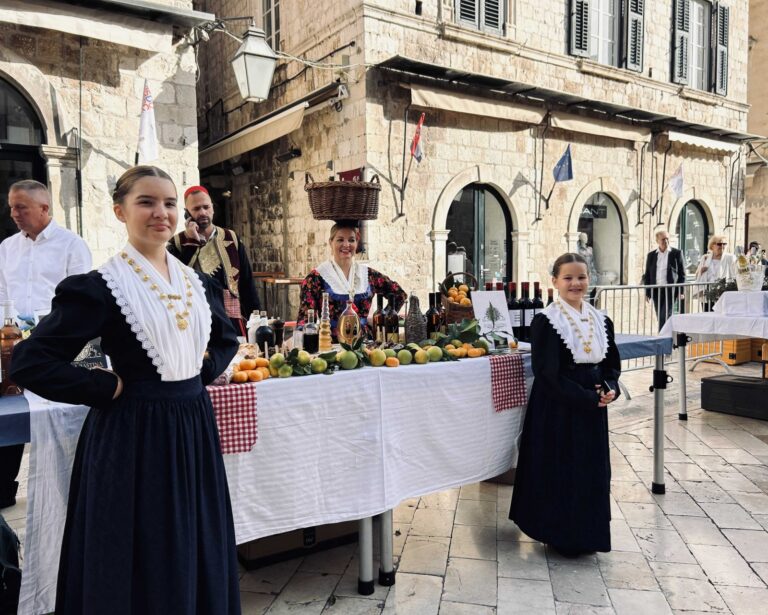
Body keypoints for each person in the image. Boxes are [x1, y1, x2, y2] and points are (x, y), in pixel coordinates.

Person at [10, 166, 241, 614]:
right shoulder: (100, 288)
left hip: (193, 427)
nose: (162, 212)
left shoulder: (197, 282)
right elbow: (31, 361)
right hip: (133, 438)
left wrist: (198, 369)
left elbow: (226, 338)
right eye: (147, 202)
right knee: (142, 552)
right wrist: (105, 386)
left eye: (170, 203)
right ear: (120, 211)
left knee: (194, 538)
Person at [509, 253, 620, 557]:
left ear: (589, 280)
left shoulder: (602, 319)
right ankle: (561, 534)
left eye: (581, 277)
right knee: (562, 469)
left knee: (590, 471)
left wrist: (610, 389)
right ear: (555, 281)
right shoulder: (547, 321)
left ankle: (588, 535)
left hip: (592, 408)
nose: (575, 283)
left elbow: (612, 365)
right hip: (558, 407)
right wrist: (588, 397)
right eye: (568, 278)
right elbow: (547, 373)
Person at [0, 180, 91, 510]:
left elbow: (82, 302)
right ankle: (3, 487)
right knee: (10, 408)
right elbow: (1, 296)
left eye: (21, 206)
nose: (14, 213)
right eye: (11, 206)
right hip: (12, 345)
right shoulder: (7, 248)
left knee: (58, 414)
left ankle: (68, 485)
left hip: (56, 343)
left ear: (44, 208)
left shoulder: (72, 245)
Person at [168, 185, 259, 336]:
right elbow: (175, 280)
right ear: (187, 213)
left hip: (231, 319)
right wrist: (191, 242)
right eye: (196, 209)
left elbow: (247, 283)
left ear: (212, 208)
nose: (203, 212)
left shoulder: (232, 238)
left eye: (206, 207)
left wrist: (256, 320)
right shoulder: (177, 243)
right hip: (196, 320)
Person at [297, 220, 406, 338]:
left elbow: (399, 294)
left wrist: (380, 318)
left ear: (357, 243)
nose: (346, 245)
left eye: (351, 240)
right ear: (330, 242)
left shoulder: (368, 274)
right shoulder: (316, 278)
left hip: (365, 344)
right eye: (340, 240)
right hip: (330, 344)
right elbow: (305, 321)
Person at [643, 229, 686, 330]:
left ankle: (662, 336)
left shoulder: (676, 253)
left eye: (667, 239)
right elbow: (648, 274)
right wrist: (647, 292)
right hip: (656, 290)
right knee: (660, 315)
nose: (665, 241)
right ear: (657, 240)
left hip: (670, 290)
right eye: (663, 239)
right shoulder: (651, 255)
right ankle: (668, 335)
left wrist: (681, 290)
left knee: (665, 314)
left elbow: (682, 274)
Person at [694, 235, 736, 311]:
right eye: (719, 244)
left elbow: (735, 274)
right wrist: (701, 271)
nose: (722, 246)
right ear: (712, 245)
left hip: (723, 294)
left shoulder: (730, 258)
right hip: (707, 294)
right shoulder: (705, 258)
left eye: (724, 244)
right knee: (707, 316)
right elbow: (697, 275)